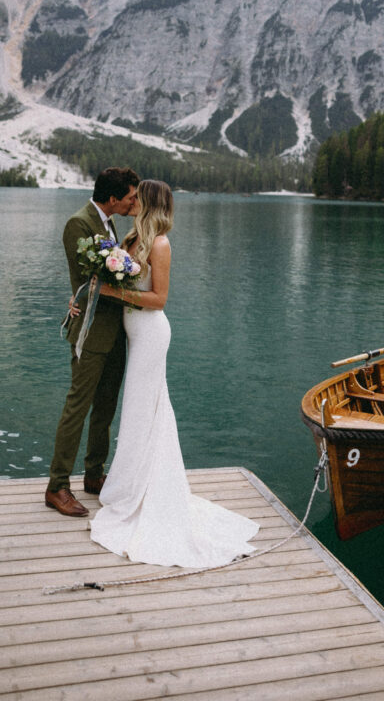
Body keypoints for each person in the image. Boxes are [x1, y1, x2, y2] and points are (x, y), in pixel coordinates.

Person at [88, 179, 259, 567]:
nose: (131, 201)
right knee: (139, 411)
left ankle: (143, 491)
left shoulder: (160, 243)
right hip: (135, 334)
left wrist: (114, 293)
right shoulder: (133, 238)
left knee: (143, 410)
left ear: (148, 202)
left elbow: (159, 299)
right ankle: (130, 484)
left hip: (150, 335)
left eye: (137, 197)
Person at [45, 166, 140, 517]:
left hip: (115, 331)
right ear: (113, 198)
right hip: (91, 331)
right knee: (78, 407)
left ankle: (94, 474)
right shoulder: (78, 223)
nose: (135, 202)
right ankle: (57, 486)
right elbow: (90, 280)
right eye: (131, 196)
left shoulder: (109, 222)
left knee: (105, 406)